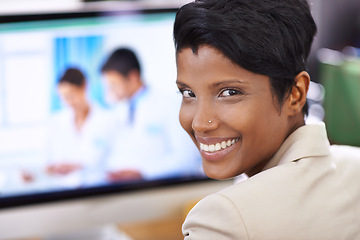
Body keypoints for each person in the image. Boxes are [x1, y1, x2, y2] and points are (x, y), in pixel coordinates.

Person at [173, 0, 360, 239]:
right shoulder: (356, 165)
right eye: (188, 93)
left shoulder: (222, 220)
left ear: (296, 93)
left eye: (230, 93)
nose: (200, 122)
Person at [101, 48, 201, 182]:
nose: (110, 90)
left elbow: (186, 159)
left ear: (133, 77)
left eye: (114, 84)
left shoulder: (170, 106)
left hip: (159, 188)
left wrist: (143, 172)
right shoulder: (118, 111)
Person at [47, 67, 113, 187]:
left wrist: (77, 166)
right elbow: (50, 160)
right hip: (65, 191)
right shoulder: (56, 121)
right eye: (63, 97)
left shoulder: (107, 119)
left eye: (71, 96)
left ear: (84, 86)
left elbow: (111, 161)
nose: (68, 102)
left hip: (99, 189)